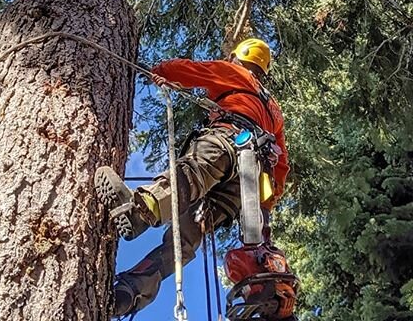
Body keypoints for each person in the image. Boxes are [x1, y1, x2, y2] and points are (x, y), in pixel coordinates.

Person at [95, 38, 290, 319]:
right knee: (186, 239)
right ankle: (131, 292)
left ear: (240, 57)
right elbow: (281, 163)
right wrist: (266, 204)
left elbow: (196, 70)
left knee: (194, 172)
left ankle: (141, 211)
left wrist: (163, 70)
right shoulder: (274, 109)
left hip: (229, 139)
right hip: (249, 179)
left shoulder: (236, 73)